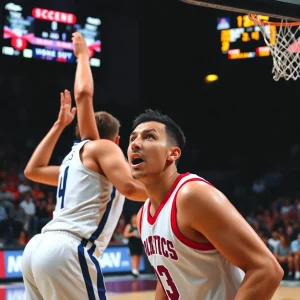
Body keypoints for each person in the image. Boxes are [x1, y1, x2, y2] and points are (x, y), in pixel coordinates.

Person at [21, 33, 147, 300]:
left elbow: (32, 170)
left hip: (37, 248)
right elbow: (131, 188)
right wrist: (82, 56)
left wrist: (58, 126)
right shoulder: (104, 148)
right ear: (117, 140)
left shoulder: (73, 164)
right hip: (68, 248)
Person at [127, 109, 284, 300]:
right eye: (132, 139)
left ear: (173, 154)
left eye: (149, 137)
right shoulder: (144, 215)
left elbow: (267, 269)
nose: (135, 144)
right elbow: (168, 276)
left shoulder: (192, 196)